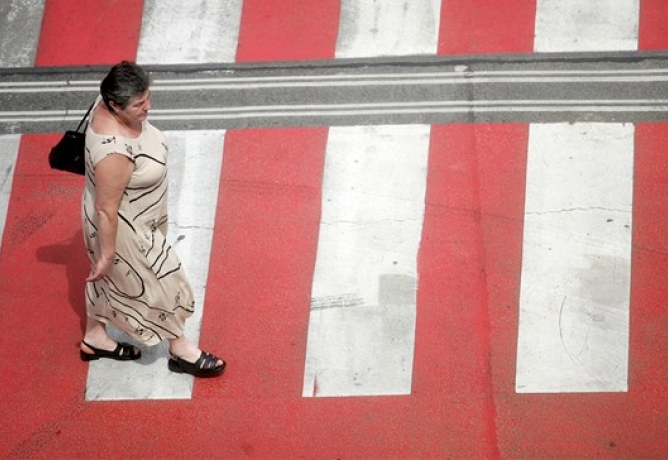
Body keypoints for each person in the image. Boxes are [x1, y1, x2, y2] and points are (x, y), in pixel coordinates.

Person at [79, 61, 225, 378]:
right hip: (127, 230)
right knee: (164, 282)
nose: (148, 107)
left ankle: (94, 337)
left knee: (106, 281)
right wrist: (107, 254)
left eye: (147, 98)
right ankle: (181, 349)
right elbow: (107, 210)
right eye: (139, 104)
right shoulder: (114, 153)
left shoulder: (105, 99)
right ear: (115, 105)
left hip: (138, 214)